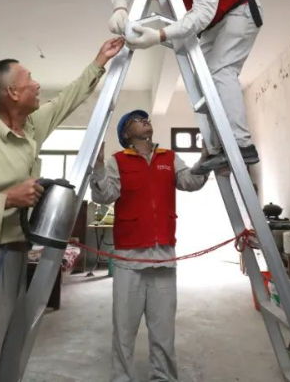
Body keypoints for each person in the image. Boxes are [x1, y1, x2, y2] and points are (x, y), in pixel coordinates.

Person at [0, 37, 125, 382]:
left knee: (6, 349)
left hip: (16, 256)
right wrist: (7, 198)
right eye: (29, 78)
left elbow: (65, 101)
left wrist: (99, 61)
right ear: (12, 93)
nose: (37, 84)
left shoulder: (28, 129)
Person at [107, 0, 262, 176]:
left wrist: (159, 35)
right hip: (215, 22)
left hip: (240, 11)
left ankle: (241, 145)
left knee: (220, 72)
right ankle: (217, 148)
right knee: (205, 82)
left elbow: (200, 15)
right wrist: (120, 7)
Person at [90, 109, 208, 382]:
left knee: (163, 331)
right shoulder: (118, 160)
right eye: (136, 120)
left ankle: (163, 377)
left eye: (146, 118)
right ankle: (121, 378)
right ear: (126, 133)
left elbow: (190, 181)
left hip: (163, 255)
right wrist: (98, 167)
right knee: (124, 330)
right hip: (129, 258)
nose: (145, 120)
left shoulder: (169, 157)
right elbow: (105, 195)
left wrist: (204, 159)